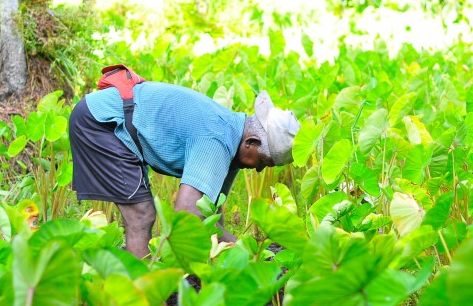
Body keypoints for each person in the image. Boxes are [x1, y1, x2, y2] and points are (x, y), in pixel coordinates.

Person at [69, 79, 300, 258]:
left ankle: (135, 271)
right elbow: (188, 213)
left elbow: (210, 216)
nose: (258, 171)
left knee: (143, 216)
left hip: (117, 121)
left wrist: (246, 253)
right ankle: (143, 296)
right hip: (102, 122)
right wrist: (241, 249)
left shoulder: (234, 140)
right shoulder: (218, 139)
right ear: (252, 142)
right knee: (141, 215)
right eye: (262, 163)